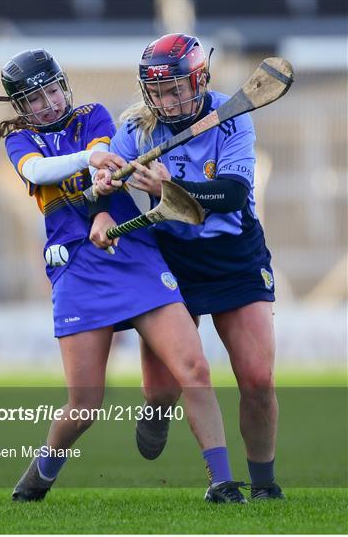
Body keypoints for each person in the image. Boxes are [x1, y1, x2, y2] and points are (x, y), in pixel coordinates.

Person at [0, 48, 246, 503]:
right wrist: (88, 164)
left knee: (194, 368)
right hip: (77, 265)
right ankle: (39, 476)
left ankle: (222, 482)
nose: (48, 103)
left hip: (134, 253)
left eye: (53, 90)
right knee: (85, 406)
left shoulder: (92, 115)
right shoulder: (20, 141)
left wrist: (103, 190)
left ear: (64, 85)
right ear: (20, 107)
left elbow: (105, 151)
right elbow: (39, 170)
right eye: (35, 99)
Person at [90, 33, 284, 500]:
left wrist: (167, 188)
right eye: (159, 91)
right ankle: (156, 411)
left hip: (234, 253)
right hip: (170, 258)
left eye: (178, 88)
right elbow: (107, 185)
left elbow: (233, 196)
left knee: (257, 379)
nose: (170, 101)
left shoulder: (232, 116)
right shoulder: (136, 130)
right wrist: (101, 193)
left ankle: (263, 486)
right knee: (161, 391)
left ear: (200, 80)